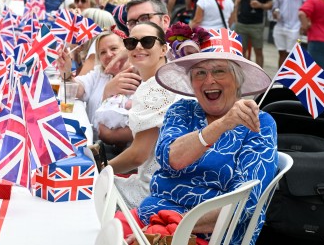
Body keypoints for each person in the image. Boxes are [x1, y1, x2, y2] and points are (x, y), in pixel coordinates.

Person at [119, 28, 277, 245]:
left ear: (238, 79)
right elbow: (170, 159)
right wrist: (222, 124)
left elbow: (245, 201)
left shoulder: (259, 123)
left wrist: (171, 229)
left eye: (220, 71)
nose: (208, 80)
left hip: (208, 235)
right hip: (153, 216)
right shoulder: (182, 110)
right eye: (199, 73)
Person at [108, 22, 180, 208]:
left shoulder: (156, 89)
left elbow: (138, 155)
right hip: (171, 184)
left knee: (88, 190)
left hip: (155, 192)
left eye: (147, 41)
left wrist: (100, 170)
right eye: (132, 42)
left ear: (164, 49)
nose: (138, 46)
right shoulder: (169, 79)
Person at [56, 31, 126, 128]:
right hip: (92, 139)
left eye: (114, 48)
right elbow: (77, 90)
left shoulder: (137, 75)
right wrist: (66, 72)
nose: (109, 55)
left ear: (126, 50)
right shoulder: (99, 74)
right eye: (103, 52)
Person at [231, 0, 272, 68]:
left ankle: (260, 75)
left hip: (257, 24)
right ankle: (243, 73)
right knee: (240, 50)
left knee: (258, 50)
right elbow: (237, 3)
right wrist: (235, 19)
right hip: (242, 23)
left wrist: (261, 5)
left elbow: (270, 5)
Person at [271, 0, 312, 67]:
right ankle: (280, 79)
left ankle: (291, 81)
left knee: (292, 55)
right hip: (280, 27)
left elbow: (310, 6)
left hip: (296, 28)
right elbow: (275, 7)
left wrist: (306, 24)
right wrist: (275, 12)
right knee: (281, 53)